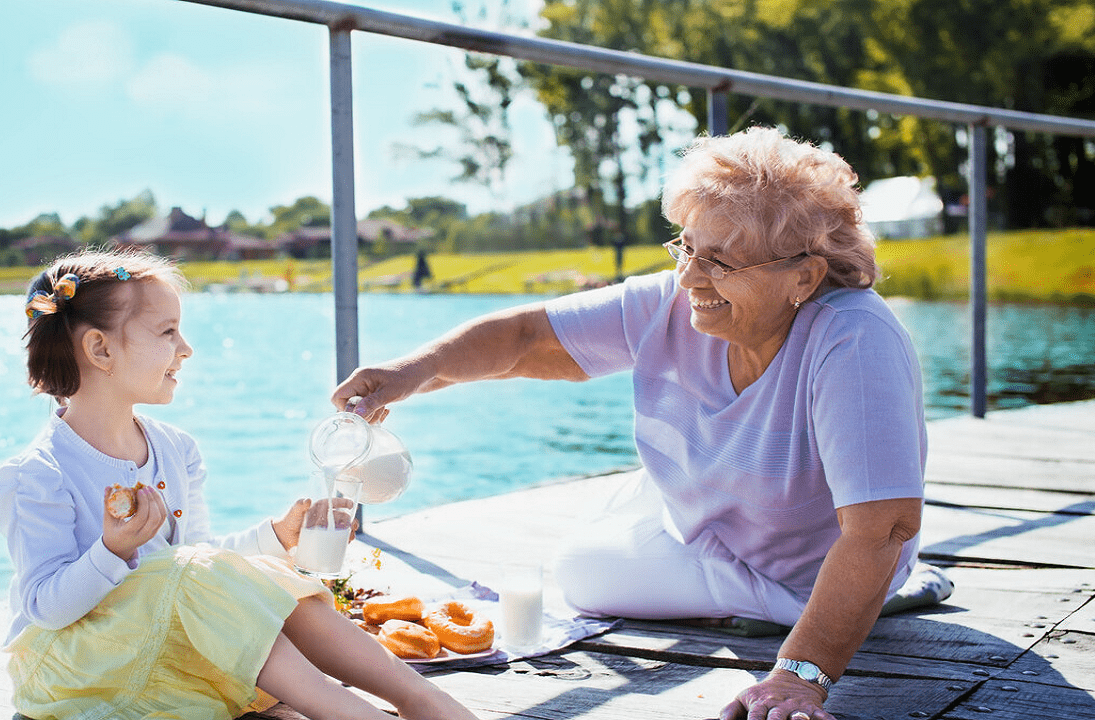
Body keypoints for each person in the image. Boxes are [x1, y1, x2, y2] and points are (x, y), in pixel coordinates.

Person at [332, 127, 933, 720]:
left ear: (803, 276)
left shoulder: (854, 339)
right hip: (721, 518)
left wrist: (800, 675)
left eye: (720, 261)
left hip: (804, 569)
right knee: (588, 562)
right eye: (687, 247)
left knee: (588, 571)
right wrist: (414, 373)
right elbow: (529, 340)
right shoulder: (672, 302)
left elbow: (882, 529)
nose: (691, 277)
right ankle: (749, 581)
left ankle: (868, 596)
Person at [0, 250, 477, 720]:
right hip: (73, 673)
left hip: (159, 648)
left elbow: (201, 566)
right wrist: (111, 551)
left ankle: (417, 697)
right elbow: (45, 609)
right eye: (167, 331)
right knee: (195, 574)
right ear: (100, 349)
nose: (186, 348)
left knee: (264, 575)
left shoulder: (176, 449)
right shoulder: (38, 474)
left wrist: (276, 535)